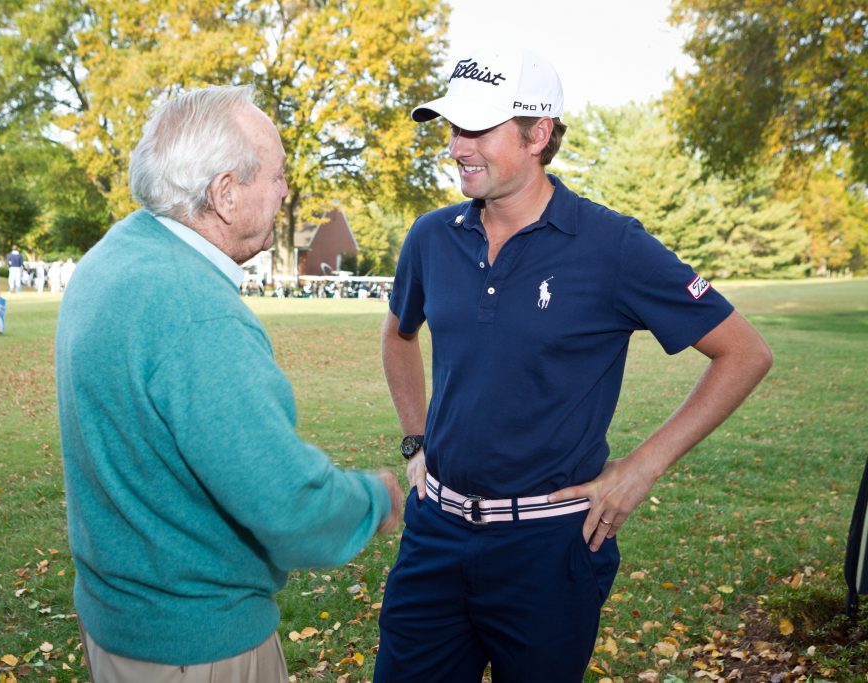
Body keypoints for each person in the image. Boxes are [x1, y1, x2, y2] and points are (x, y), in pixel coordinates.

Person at [374, 45, 774, 682]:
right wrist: (415, 440)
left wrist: (641, 468)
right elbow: (399, 336)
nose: (456, 147)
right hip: (434, 536)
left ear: (538, 133)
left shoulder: (612, 245)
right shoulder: (431, 236)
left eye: (477, 129)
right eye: (453, 128)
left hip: (551, 550)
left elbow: (745, 352)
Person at [55, 85, 404, 683]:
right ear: (225, 193)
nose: (285, 190)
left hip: (122, 623)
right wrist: (376, 500)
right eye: (275, 175)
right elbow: (286, 504)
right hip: (195, 644)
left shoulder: (118, 256)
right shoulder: (193, 310)